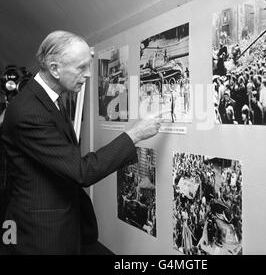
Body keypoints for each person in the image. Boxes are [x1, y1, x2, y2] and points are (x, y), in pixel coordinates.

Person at [1, 31, 163, 255]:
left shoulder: (47, 99)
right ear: (55, 68)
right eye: (80, 67)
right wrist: (134, 135)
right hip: (42, 235)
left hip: (60, 225)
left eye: (89, 66)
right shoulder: (29, 111)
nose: (88, 74)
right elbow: (81, 170)